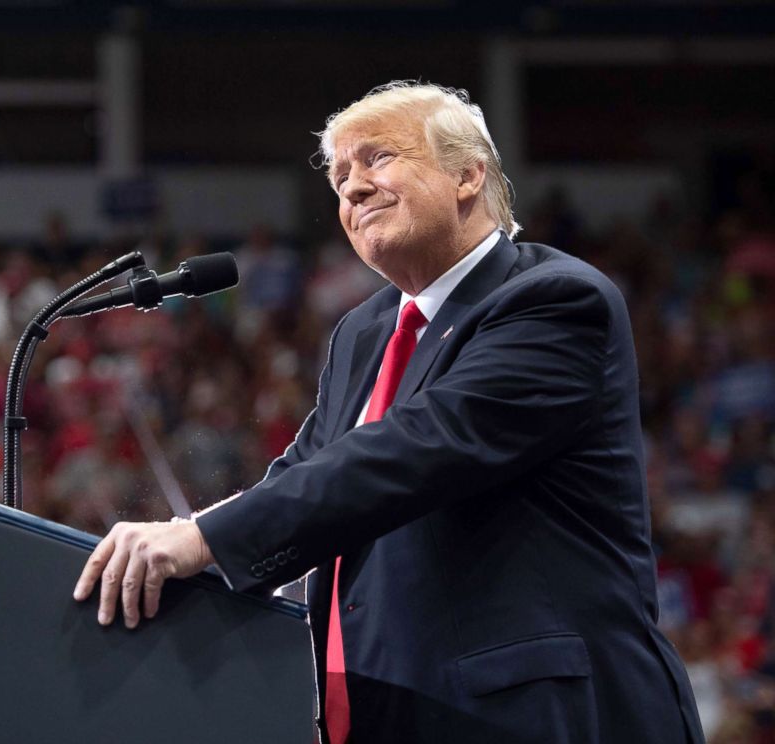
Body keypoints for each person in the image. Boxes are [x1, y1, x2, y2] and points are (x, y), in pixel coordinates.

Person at [73, 82, 706, 743]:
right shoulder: (363, 332)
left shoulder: (553, 300)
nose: (351, 188)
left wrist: (203, 538)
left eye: (377, 159)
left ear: (467, 175)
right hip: (392, 716)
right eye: (340, 175)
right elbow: (304, 472)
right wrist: (195, 552)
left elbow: (419, 448)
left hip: (540, 715)